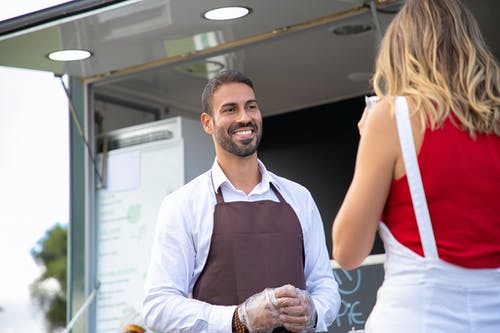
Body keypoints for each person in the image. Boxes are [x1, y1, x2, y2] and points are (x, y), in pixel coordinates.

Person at [332, 0, 500, 332]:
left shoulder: (393, 117)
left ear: (401, 52)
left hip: (416, 315)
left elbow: (347, 251)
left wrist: (369, 144)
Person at [142, 69, 340, 333]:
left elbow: (325, 288)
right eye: (230, 110)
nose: (245, 118)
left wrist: (313, 311)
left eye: (251, 107)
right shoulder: (183, 206)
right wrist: (238, 319)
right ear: (207, 123)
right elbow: (158, 307)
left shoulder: (299, 198)